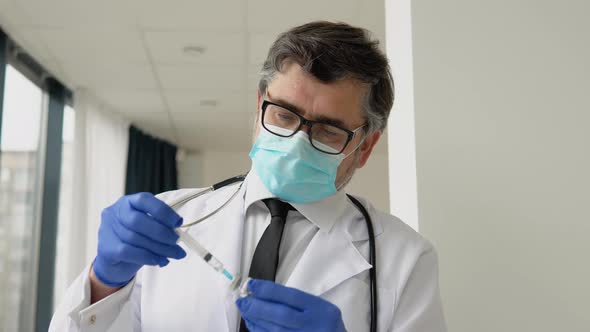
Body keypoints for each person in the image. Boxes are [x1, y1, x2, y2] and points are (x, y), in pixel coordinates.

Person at [50, 21, 446, 332]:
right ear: (260, 106)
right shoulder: (171, 216)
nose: (295, 142)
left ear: (365, 147)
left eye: (327, 130)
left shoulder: (404, 258)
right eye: (283, 114)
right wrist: (103, 282)